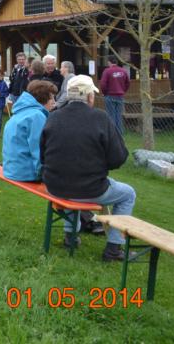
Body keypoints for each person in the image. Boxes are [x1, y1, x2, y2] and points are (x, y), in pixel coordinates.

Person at [41, 75, 135, 261]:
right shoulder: (101, 118)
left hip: (55, 185)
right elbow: (118, 157)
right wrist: (101, 164)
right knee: (128, 194)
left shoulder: (54, 117)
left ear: (69, 95)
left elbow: (43, 154)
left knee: (71, 182)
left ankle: (70, 236)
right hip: (90, 187)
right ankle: (114, 248)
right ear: (90, 96)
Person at [1, 80, 57, 182]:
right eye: (52, 97)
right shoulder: (36, 116)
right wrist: (46, 176)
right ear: (44, 97)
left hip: (11, 170)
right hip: (26, 173)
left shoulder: (21, 111)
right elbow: (39, 150)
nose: (54, 102)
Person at [99, 56, 130, 136]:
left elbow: (103, 84)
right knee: (118, 116)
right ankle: (119, 134)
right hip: (120, 96)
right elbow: (127, 83)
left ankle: (112, 134)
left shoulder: (107, 71)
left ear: (109, 62)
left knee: (111, 115)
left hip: (110, 96)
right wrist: (123, 91)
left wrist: (105, 93)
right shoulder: (123, 71)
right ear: (116, 62)